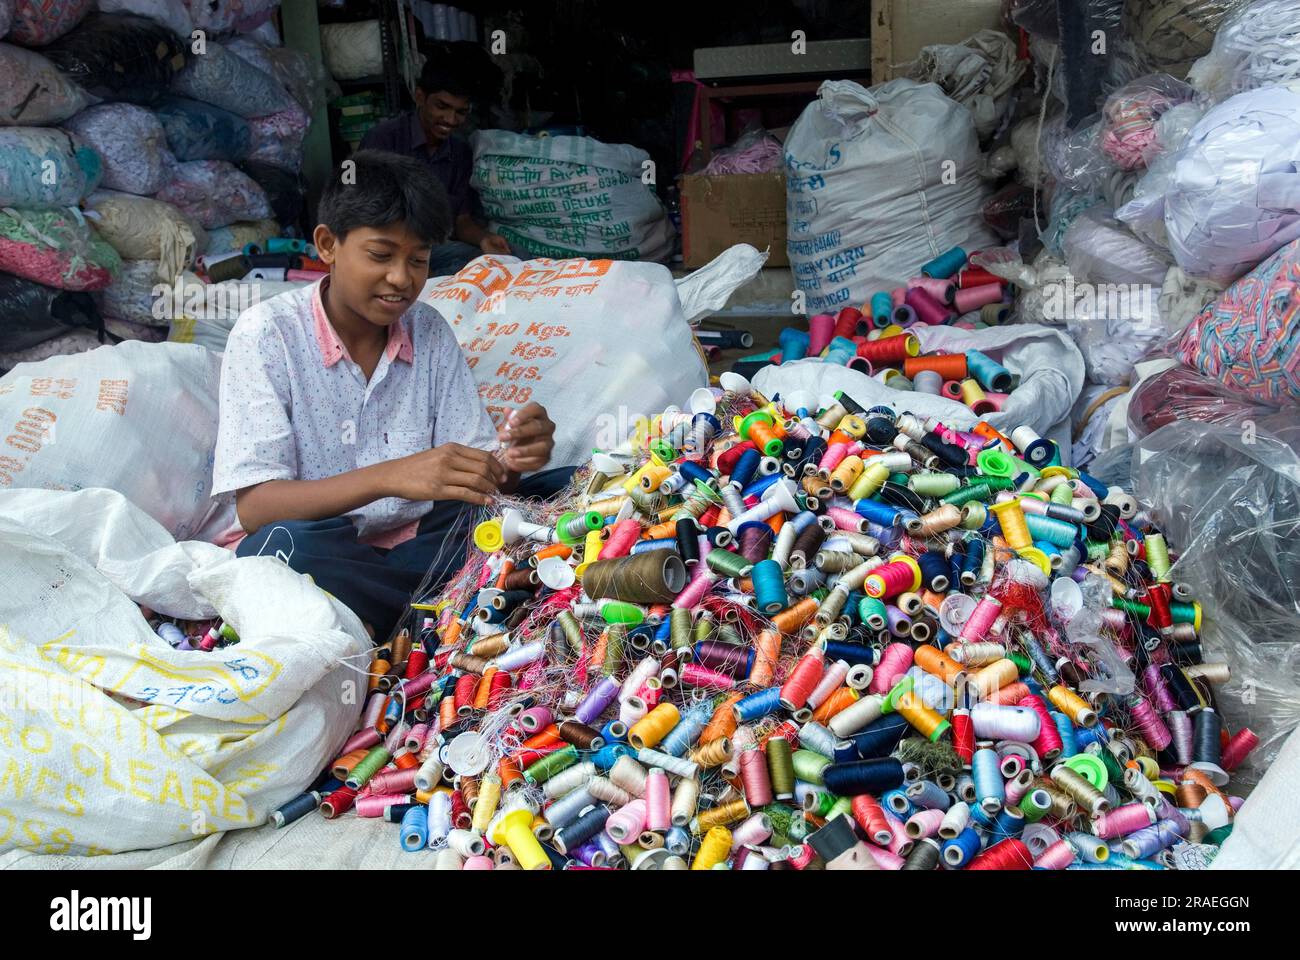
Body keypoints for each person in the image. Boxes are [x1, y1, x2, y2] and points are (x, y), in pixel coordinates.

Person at [213, 150, 572, 639]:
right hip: (327, 548)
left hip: (420, 541)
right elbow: (255, 507)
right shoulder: (267, 335)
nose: (402, 278)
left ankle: (406, 612)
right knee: (278, 548)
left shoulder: (428, 330)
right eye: (381, 255)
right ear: (327, 245)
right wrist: (392, 477)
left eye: (418, 260)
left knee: (560, 488)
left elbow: (480, 487)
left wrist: (512, 460)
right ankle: (445, 606)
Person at [361, 54, 511, 277]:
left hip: (435, 250)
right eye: (442, 106)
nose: (450, 120)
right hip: (388, 250)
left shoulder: (460, 152)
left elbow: (462, 221)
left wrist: (483, 239)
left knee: (502, 262)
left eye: (460, 112)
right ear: (420, 96)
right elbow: (366, 217)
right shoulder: (383, 140)